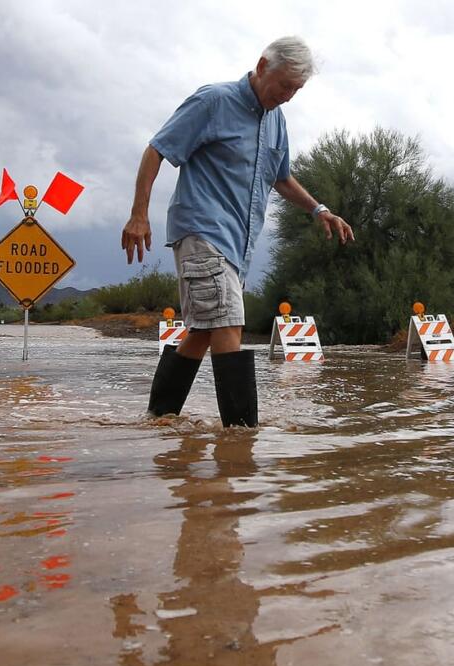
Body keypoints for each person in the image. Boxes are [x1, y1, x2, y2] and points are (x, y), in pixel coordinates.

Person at [122, 36, 354, 428]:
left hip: (237, 244)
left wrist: (319, 209)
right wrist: (138, 214)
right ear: (263, 66)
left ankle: (158, 421)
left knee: (200, 331)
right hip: (201, 230)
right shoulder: (214, 101)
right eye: (284, 85)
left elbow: (281, 178)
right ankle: (241, 438)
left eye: (296, 90)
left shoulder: (277, 121)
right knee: (229, 323)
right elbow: (157, 149)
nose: (288, 96)